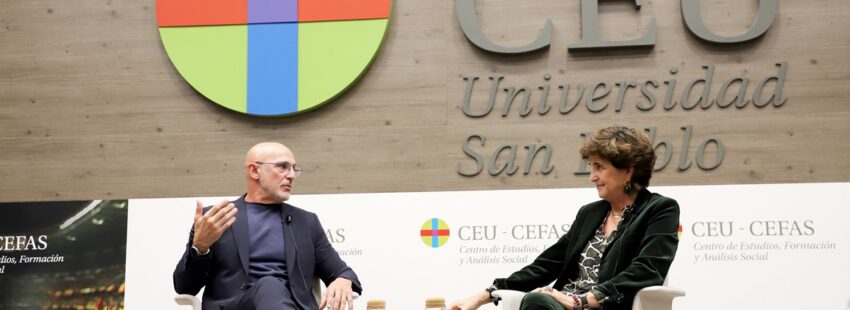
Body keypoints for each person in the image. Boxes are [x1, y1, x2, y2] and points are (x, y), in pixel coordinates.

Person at [450, 126, 680, 310]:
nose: (592, 177)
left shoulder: (660, 209)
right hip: (558, 304)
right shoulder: (590, 213)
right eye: (591, 167)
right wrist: (483, 296)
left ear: (628, 170)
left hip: (601, 305)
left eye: (599, 167)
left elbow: (648, 270)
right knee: (536, 300)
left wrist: (582, 300)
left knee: (536, 301)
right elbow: (546, 266)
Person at [173, 142, 362, 310]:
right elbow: (184, 287)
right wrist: (200, 248)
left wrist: (343, 280)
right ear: (254, 171)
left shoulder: (306, 222)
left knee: (272, 288)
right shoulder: (215, 218)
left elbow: (343, 271)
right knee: (270, 285)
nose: (291, 176)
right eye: (282, 167)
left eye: (294, 169)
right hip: (236, 305)